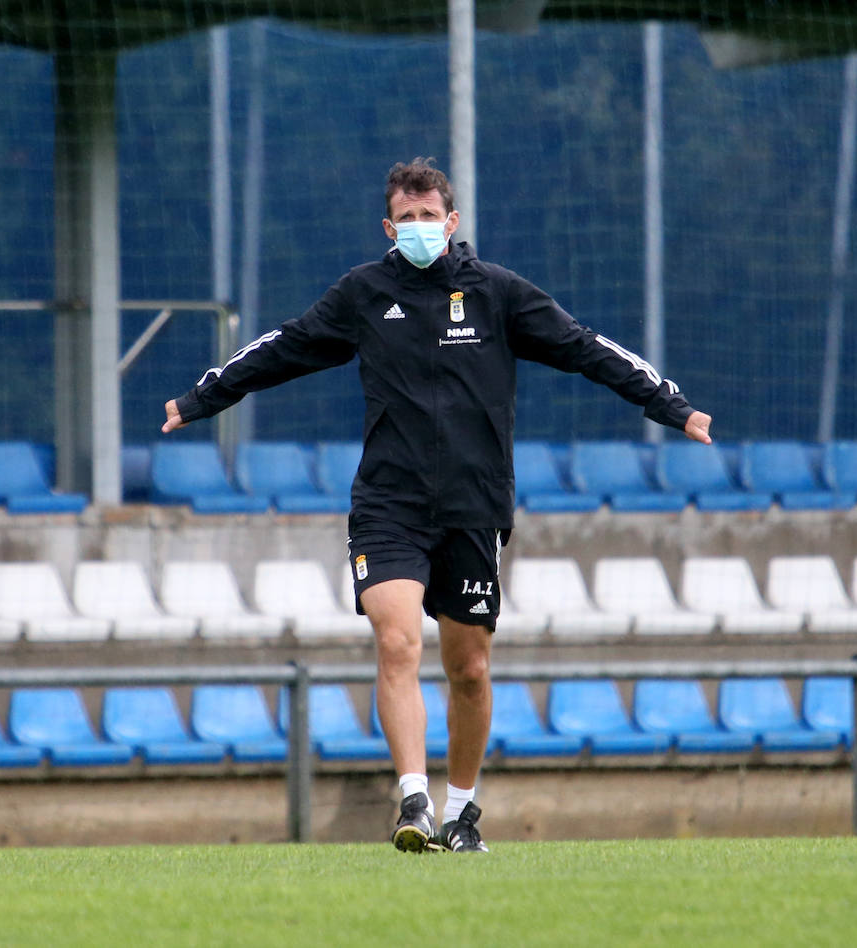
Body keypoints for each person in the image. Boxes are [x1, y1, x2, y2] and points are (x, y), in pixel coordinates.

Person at [163, 157, 713, 854]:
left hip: (472, 506)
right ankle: (413, 800)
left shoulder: (497, 295)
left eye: (430, 218)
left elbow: (586, 349)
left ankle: (462, 813)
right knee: (397, 641)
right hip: (389, 503)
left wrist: (673, 408)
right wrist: (199, 400)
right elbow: (284, 348)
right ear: (388, 226)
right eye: (407, 219)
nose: (419, 229)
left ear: (451, 223)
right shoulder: (363, 294)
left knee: (469, 669)